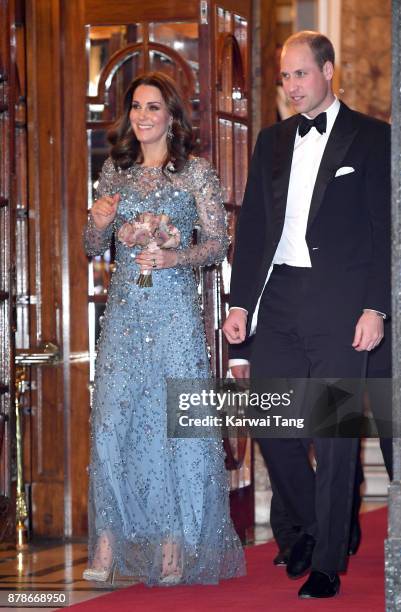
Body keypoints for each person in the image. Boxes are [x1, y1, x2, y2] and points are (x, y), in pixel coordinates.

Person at [223, 31, 390, 599]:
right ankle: (323, 527)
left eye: (300, 74)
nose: (292, 86)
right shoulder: (270, 142)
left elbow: (385, 231)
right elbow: (252, 233)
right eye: (285, 77)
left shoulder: (371, 138)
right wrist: (240, 303)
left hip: (343, 306)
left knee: (335, 431)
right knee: (271, 419)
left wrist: (375, 306)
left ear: (328, 71)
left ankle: (324, 563)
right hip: (281, 299)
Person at [83, 71, 245, 587]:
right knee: (113, 424)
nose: (142, 116)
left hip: (174, 316)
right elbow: (90, 247)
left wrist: (174, 254)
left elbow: (218, 243)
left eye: (153, 107)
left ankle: (175, 545)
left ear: (172, 116)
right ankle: (106, 543)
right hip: (126, 317)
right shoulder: (115, 171)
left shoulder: (194, 172)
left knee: (172, 428)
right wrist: (101, 222)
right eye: (135, 107)